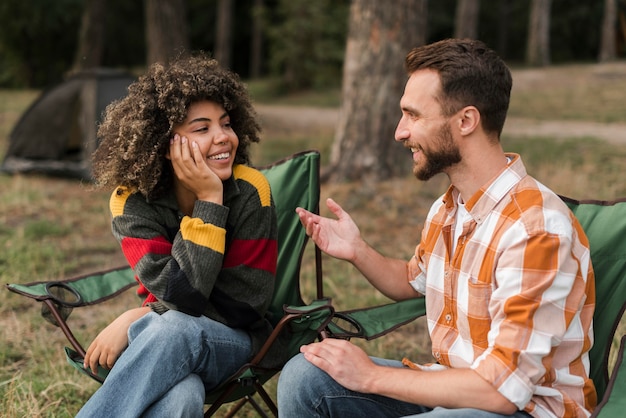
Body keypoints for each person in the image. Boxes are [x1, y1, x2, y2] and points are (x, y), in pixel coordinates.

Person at [277, 39, 596, 418]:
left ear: (465, 121)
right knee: (305, 377)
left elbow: (503, 390)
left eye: (413, 115)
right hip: (452, 390)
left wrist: (370, 376)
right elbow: (414, 280)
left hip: (524, 407)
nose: (399, 132)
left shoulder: (535, 229)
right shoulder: (450, 207)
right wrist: (358, 251)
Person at [76, 54, 278, 417]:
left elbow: (244, 305)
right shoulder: (132, 203)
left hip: (235, 344)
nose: (222, 138)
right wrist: (158, 314)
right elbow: (179, 293)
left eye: (226, 124)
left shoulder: (251, 192)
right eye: (201, 129)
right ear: (164, 144)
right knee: (182, 396)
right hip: (162, 342)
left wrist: (210, 200)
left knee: (176, 330)